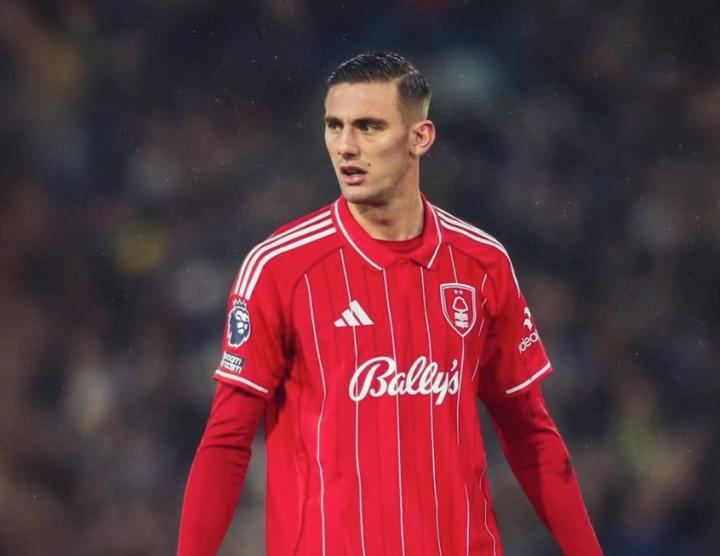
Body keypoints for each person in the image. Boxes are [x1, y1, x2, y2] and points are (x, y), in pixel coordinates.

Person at [177, 51, 602, 555]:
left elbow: (530, 436)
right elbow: (226, 443)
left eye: (369, 126)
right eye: (334, 126)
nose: (346, 146)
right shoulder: (279, 268)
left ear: (420, 137)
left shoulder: (482, 264)